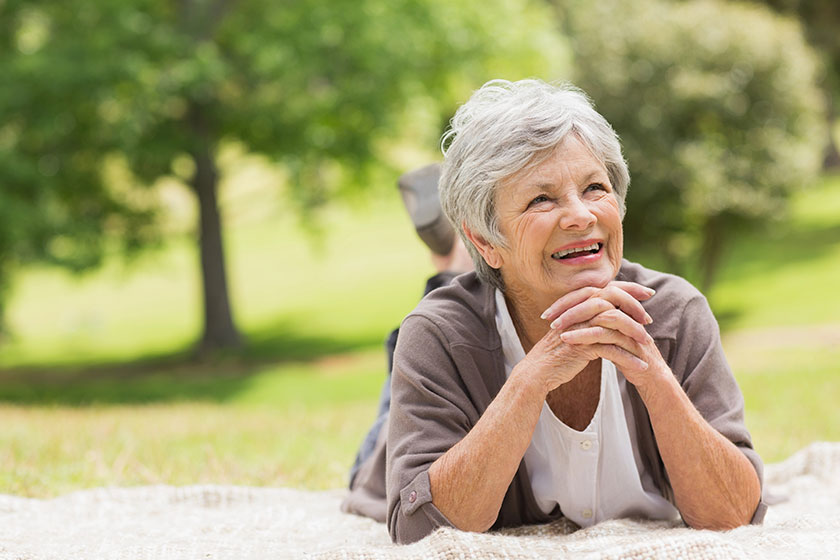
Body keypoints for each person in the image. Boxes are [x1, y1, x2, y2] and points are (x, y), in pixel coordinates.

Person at [342, 79, 766, 545]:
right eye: (541, 198)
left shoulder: (676, 313)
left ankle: (458, 257)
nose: (581, 215)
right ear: (487, 238)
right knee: (401, 381)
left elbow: (735, 512)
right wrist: (531, 377)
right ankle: (454, 261)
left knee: (474, 290)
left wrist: (652, 372)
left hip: (498, 270)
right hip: (456, 326)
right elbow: (422, 528)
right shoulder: (437, 334)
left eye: (594, 188)